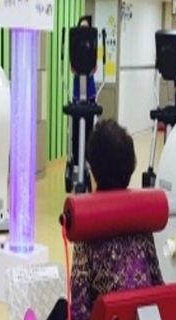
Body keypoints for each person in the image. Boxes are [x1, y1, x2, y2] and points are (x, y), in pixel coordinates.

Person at [23, 119, 164, 320]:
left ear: (93, 173)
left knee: (63, 311)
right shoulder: (143, 222)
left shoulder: (88, 230)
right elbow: (157, 286)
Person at [70, 15, 97, 190]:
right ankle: (76, 166)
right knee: (75, 134)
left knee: (88, 133)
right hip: (76, 94)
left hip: (90, 94)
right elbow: (72, 68)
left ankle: (87, 167)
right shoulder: (75, 47)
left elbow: (94, 67)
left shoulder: (92, 47)